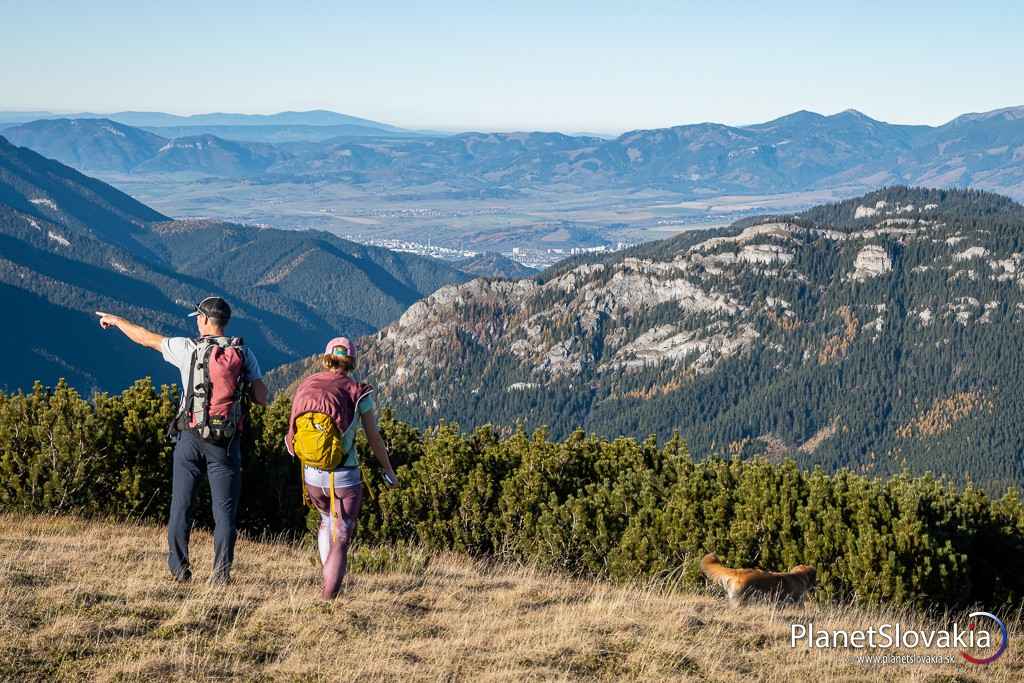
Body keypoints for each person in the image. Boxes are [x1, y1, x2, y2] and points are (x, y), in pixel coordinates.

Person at [97, 297, 269, 584]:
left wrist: (116, 321)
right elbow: (263, 398)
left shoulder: (187, 349)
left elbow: (145, 338)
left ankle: (180, 569)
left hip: (189, 436)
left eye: (197, 317)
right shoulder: (244, 353)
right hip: (225, 443)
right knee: (224, 511)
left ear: (203, 320)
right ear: (224, 322)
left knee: (181, 504)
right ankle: (220, 575)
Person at [285, 336, 398, 600]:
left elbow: (291, 433)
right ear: (352, 362)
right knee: (342, 533)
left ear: (327, 358)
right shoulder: (358, 392)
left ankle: (328, 579)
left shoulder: (307, 385)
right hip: (345, 475)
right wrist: (389, 470)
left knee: (326, 522)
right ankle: (329, 596)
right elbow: (374, 438)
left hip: (312, 474)